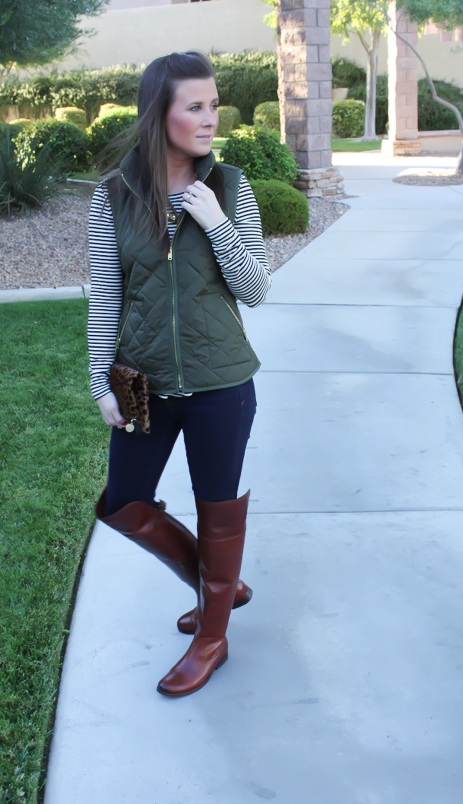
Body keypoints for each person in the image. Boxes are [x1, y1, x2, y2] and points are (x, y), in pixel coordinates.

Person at [87, 51, 271, 697]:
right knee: (122, 504)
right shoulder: (114, 194)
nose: (208, 118)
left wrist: (215, 223)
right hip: (141, 383)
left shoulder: (230, 185)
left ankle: (212, 635)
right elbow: (107, 295)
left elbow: (255, 291)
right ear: (158, 113)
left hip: (221, 382)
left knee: (218, 511)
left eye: (212, 105)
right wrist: (99, 382)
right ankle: (216, 586)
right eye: (194, 106)